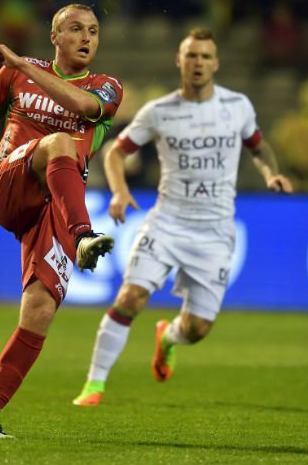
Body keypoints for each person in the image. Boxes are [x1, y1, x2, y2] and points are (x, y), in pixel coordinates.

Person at [72, 27, 293, 407]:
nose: (198, 63)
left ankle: (169, 337)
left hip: (215, 231)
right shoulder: (159, 112)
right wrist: (120, 191)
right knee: (131, 296)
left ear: (216, 64)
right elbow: (113, 153)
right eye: (191, 55)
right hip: (167, 221)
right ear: (179, 61)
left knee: (198, 328)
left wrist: (270, 172)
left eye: (205, 56)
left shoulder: (237, 107)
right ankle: (94, 385)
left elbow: (258, 147)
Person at [0, 3, 122, 438]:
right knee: (59, 142)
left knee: (40, 310)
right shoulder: (14, 76)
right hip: (9, 183)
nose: (86, 38)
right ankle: (83, 236)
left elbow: (81, 103)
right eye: (75, 29)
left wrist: (23, 63)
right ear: (55, 36)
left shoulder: (107, 88)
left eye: (93, 31)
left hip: (53, 206)